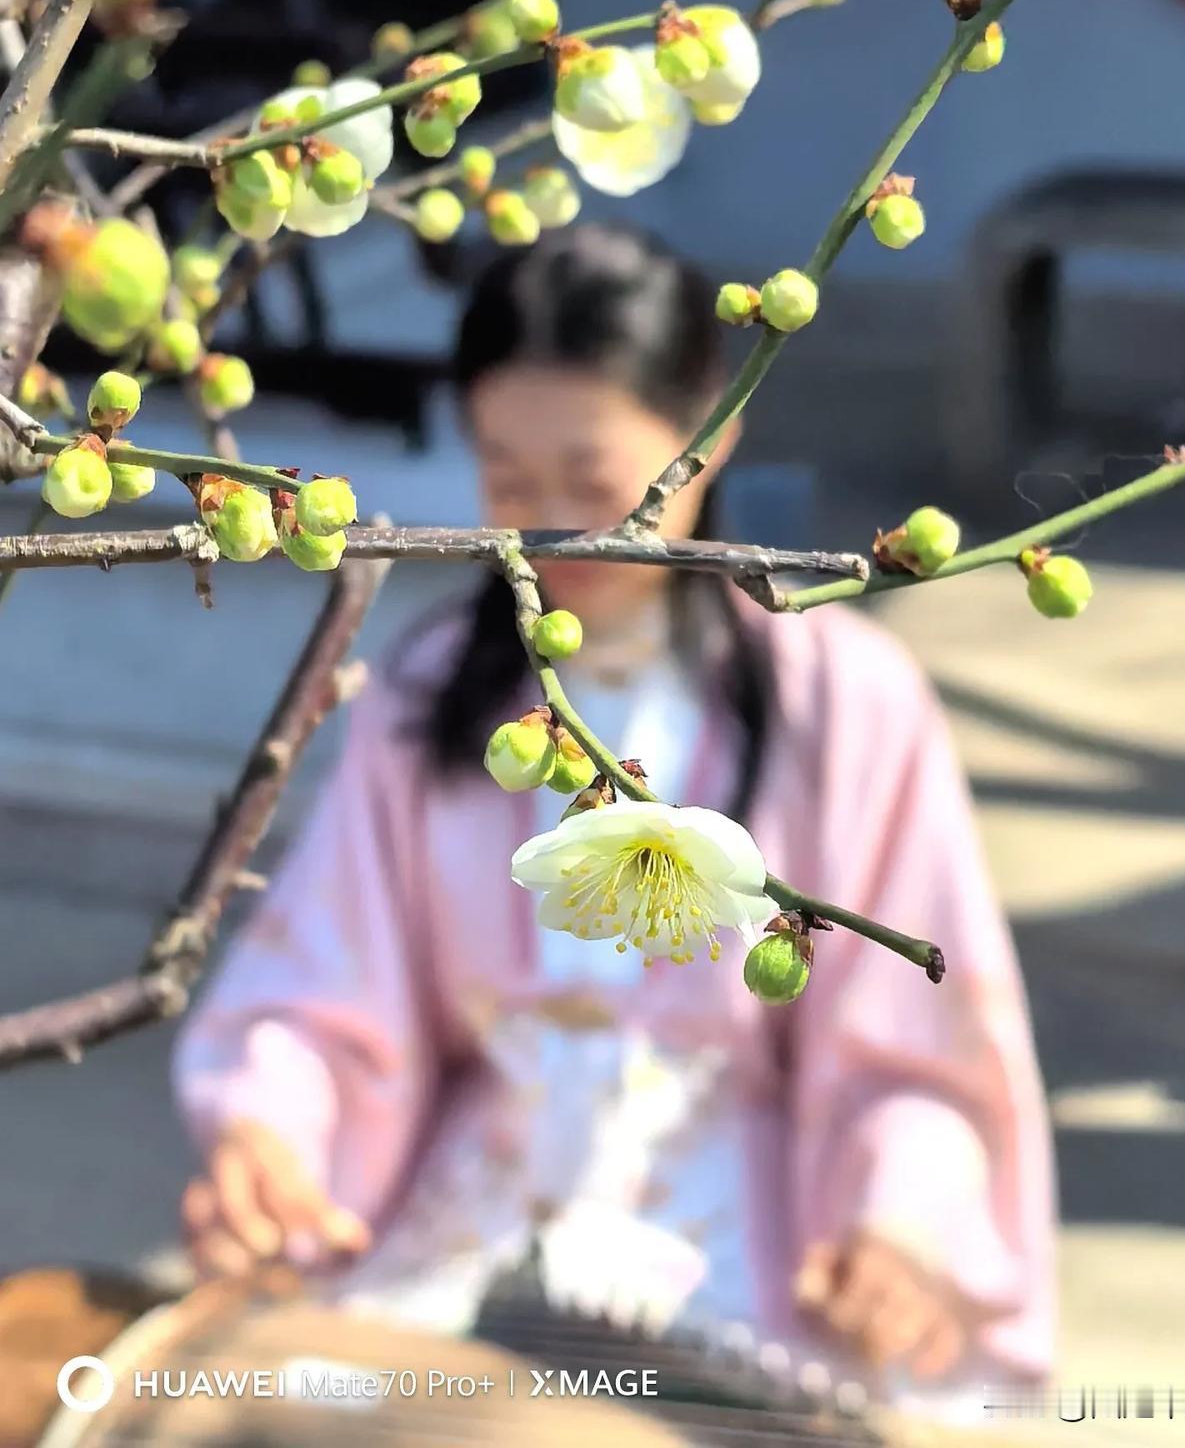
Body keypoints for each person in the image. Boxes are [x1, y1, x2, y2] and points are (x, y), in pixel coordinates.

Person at [173, 224, 1056, 1423]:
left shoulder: (845, 702)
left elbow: (913, 1050)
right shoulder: (439, 695)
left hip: (731, 1238)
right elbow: (325, 993)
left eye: (593, 485)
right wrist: (273, 1134)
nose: (551, 532)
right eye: (505, 481)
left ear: (711, 434)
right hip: (465, 1222)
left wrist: (897, 1222)